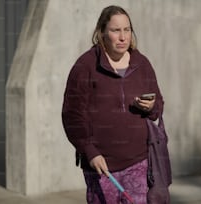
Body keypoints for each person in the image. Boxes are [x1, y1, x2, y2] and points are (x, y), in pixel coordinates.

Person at [62, 5, 164, 204]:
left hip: (139, 162)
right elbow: (72, 115)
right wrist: (89, 151)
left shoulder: (142, 64)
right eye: (115, 30)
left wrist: (151, 106)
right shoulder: (85, 66)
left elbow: (159, 105)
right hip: (101, 166)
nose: (123, 37)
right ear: (102, 32)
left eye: (127, 30)